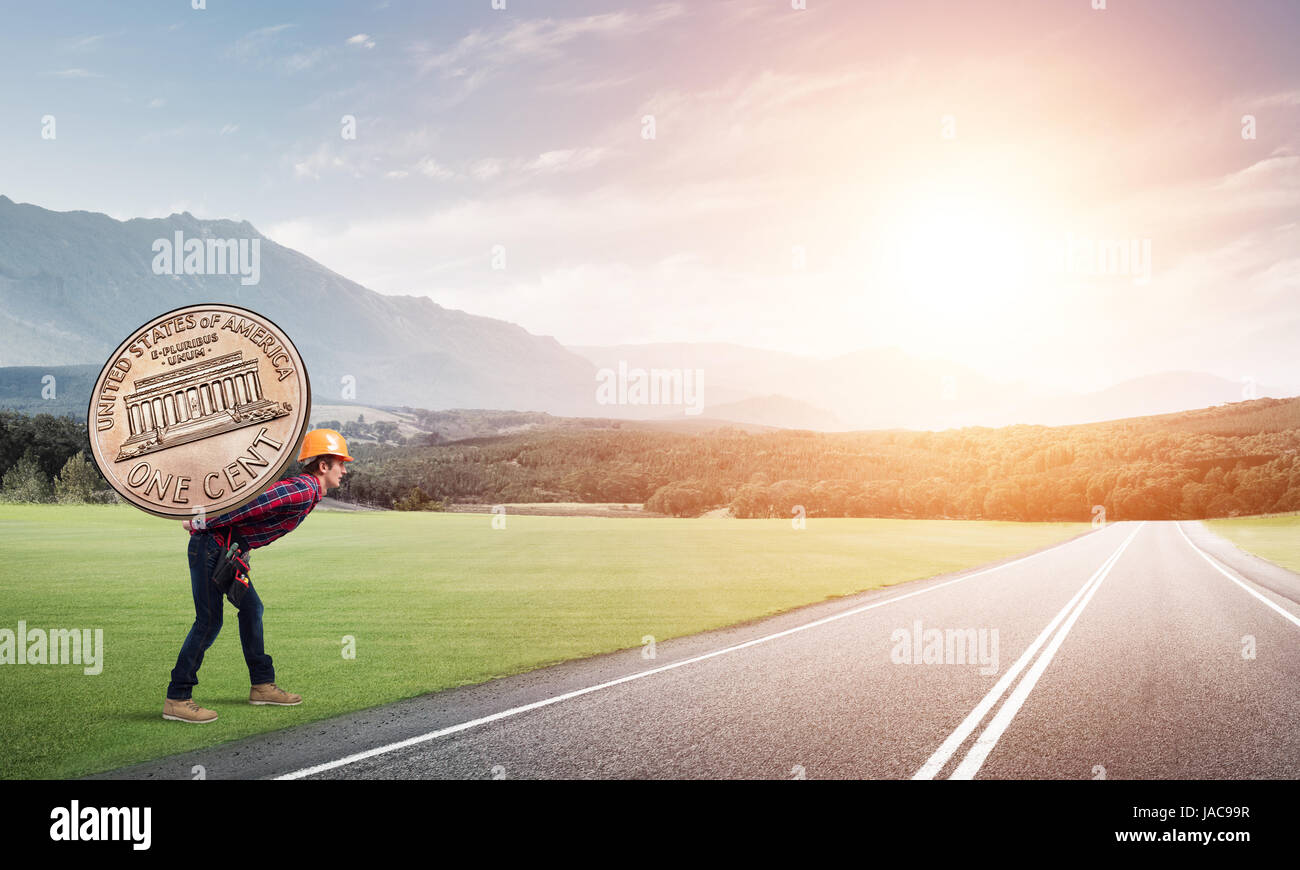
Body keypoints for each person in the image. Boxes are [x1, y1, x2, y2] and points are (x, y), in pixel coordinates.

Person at [162, 428, 353, 723]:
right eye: (341, 463)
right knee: (209, 621)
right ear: (324, 465)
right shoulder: (303, 488)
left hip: (226, 550)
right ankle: (177, 697)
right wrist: (201, 521)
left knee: (252, 608)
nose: (344, 469)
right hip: (211, 546)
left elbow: (258, 515)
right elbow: (255, 504)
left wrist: (243, 550)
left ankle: (262, 685)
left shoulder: (310, 492)